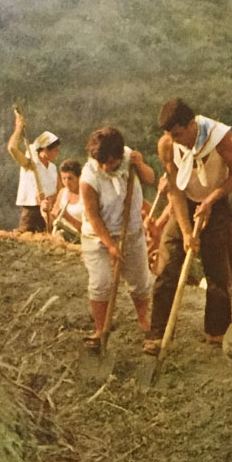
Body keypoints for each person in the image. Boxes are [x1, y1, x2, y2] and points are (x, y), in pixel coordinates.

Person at [149, 99, 232, 351]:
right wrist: (186, 231)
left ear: (191, 124)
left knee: (218, 272)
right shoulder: (167, 145)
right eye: (170, 135)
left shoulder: (220, 137)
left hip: (217, 200)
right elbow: (174, 190)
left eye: (178, 134)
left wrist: (212, 200)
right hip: (185, 202)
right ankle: (157, 334)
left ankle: (216, 333)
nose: (175, 140)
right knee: (167, 265)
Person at [80, 127, 155, 349]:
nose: (106, 166)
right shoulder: (88, 178)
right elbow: (93, 217)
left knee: (140, 282)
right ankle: (101, 329)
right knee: (101, 282)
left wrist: (140, 164)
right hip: (98, 238)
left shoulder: (128, 158)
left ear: (119, 156)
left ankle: (144, 322)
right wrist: (110, 246)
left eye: (110, 162)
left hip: (131, 232)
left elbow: (150, 178)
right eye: (101, 161)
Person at [6, 108, 60, 233]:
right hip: (32, 212)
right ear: (45, 149)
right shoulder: (30, 164)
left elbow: (59, 190)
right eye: (55, 150)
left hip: (48, 212)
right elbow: (12, 148)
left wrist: (50, 200)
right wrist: (18, 128)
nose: (57, 154)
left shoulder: (52, 168)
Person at [50, 158, 84, 242]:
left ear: (79, 177)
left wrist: (67, 216)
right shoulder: (62, 192)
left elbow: (88, 230)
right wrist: (45, 212)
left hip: (80, 238)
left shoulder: (86, 196)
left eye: (70, 178)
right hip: (61, 236)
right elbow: (53, 221)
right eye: (63, 178)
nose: (66, 182)